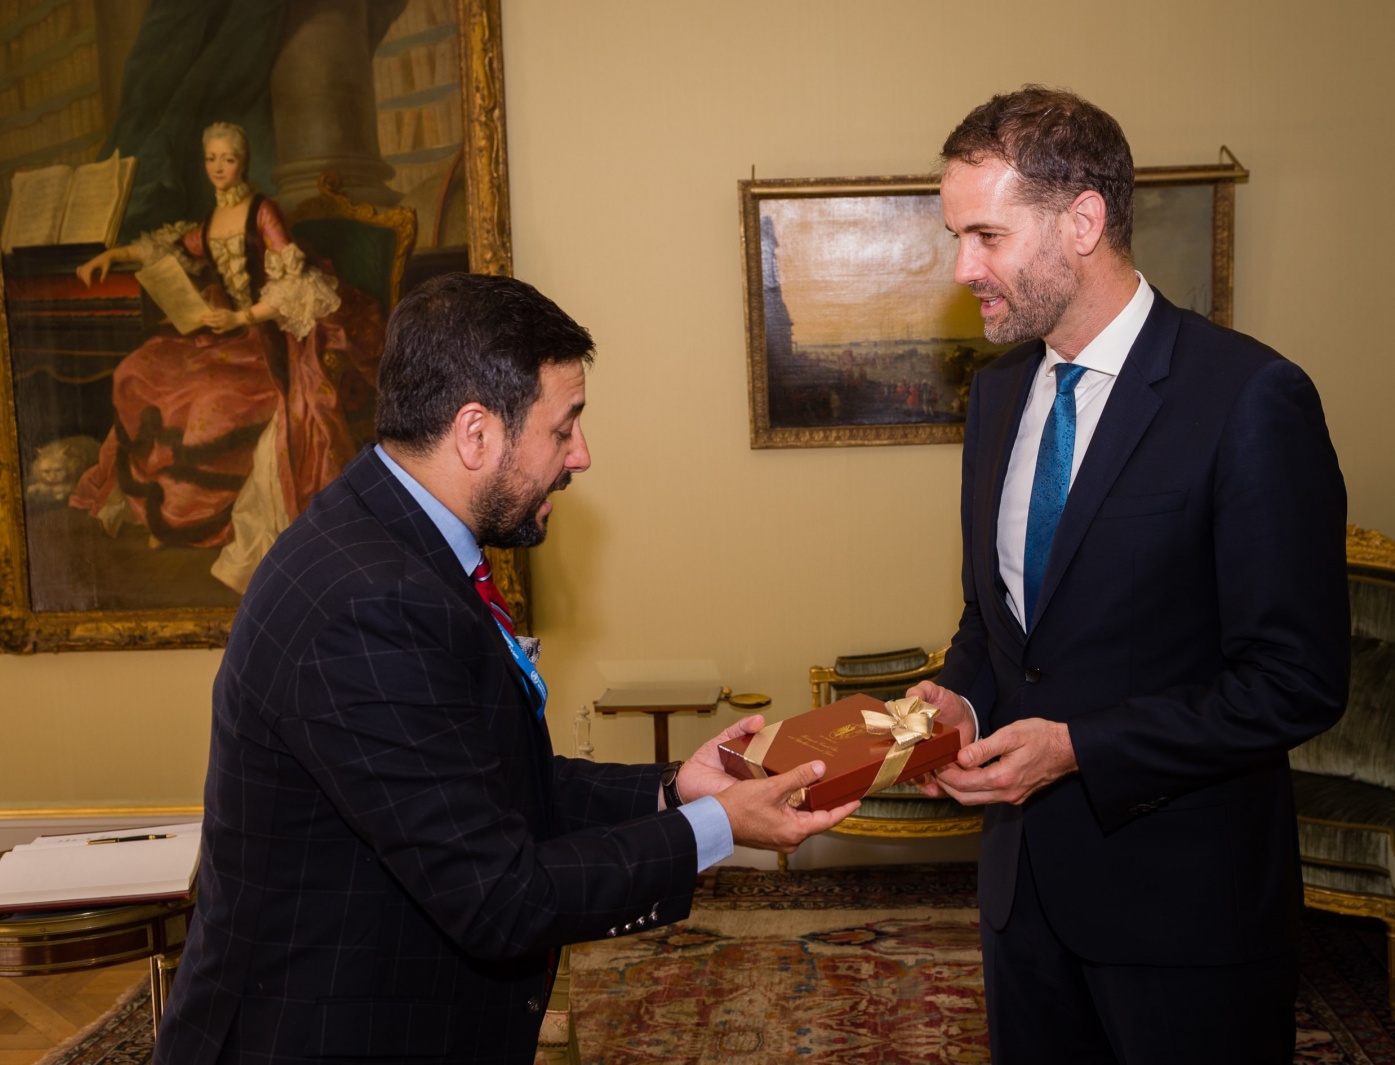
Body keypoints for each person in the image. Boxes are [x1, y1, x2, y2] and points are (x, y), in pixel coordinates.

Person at [150, 272, 857, 1065]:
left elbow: (482, 784)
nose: (581, 456)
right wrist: (719, 827)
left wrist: (672, 789)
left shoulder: (393, 543)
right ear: (476, 433)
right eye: (565, 428)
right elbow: (498, 896)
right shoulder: (370, 601)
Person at [908, 87, 1349, 1064]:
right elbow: (1000, 626)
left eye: (984, 235)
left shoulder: (1249, 399)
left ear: (1083, 221)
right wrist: (960, 705)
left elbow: (1297, 681)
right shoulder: (994, 398)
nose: (961, 268)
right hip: (1020, 904)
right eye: (955, 236)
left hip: (1184, 917)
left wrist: (1079, 750)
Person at [71, 121, 386, 592]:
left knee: (210, 397)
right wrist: (113, 255)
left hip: (269, 333)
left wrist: (242, 320)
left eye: (228, 159)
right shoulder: (213, 219)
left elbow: (297, 282)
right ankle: (162, 514)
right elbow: (169, 248)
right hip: (226, 330)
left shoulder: (264, 212)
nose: (218, 168)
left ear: (244, 162)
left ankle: (186, 518)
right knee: (141, 371)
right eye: (211, 159)